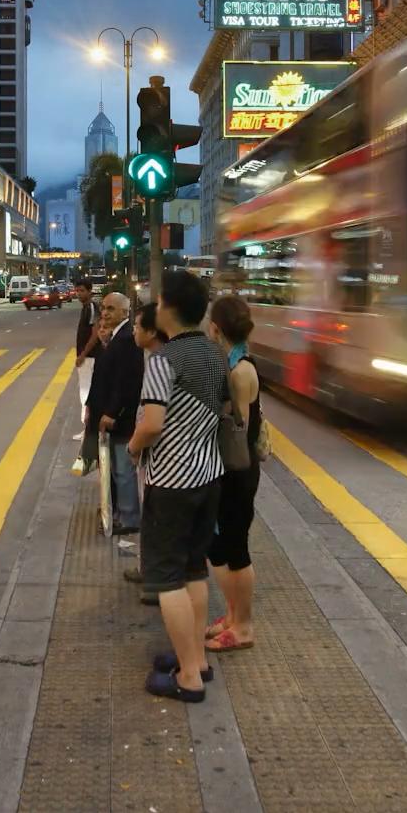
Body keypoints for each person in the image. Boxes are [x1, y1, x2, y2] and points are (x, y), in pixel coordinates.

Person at [128, 271, 228, 704]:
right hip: (208, 476)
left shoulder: (163, 361)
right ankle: (198, 659)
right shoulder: (213, 354)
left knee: (166, 577)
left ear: (168, 307)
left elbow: (152, 424)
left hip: (170, 481)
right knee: (193, 569)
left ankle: (188, 676)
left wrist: (133, 448)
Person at [204, 293, 261, 655]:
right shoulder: (239, 362)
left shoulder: (239, 371)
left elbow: (234, 426)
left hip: (236, 469)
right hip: (237, 466)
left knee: (234, 550)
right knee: (223, 547)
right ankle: (232, 615)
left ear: (215, 328)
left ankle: (243, 627)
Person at [85, 293, 138, 544]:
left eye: (110, 309)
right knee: (116, 468)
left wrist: (111, 413)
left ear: (125, 313)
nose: (104, 313)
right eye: (103, 308)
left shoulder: (127, 339)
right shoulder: (116, 337)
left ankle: (128, 518)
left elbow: (124, 383)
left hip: (120, 418)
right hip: (111, 415)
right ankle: (119, 511)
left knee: (123, 470)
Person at [72, 279, 101, 441]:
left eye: (82, 291)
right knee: (86, 393)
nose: (79, 294)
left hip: (90, 357)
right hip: (87, 357)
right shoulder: (86, 308)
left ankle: (89, 430)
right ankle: (88, 429)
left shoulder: (90, 307)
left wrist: (83, 354)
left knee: (86, 393)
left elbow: (95, 332)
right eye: (77, 291)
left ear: (90, 291)